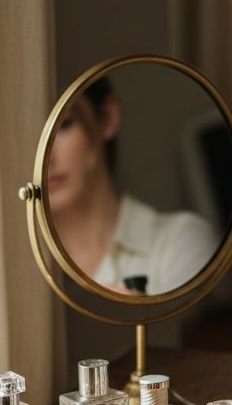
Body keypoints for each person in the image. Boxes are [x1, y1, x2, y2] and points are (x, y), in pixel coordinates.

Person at [47, 77, 220, 296]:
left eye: (63, 124)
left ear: (108, 117)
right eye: (27, 137)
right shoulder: (11, 263)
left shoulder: (180, 242)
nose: (46, 157)